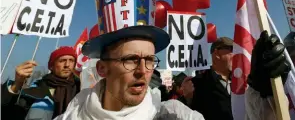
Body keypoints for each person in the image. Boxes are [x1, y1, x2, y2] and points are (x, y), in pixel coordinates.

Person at [54, 25, 204, 119]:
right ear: (102, 68)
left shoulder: (171, 114)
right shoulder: (72, 115)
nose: (143, 70)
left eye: (150, 60)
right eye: (130, 59)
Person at [1, 46, 80, 120]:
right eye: (62, 61)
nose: (67, 65)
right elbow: (7, 111)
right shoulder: (36, 87)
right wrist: (17, 83)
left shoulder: (81, 88)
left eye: (71, 60)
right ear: (51, 66)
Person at [179, 37, 234, 120]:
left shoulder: (240, 82)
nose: (237, 55)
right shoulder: (197, 83)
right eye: (232, 51)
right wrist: (187, 99)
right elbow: (183, 115)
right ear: (217, 54)